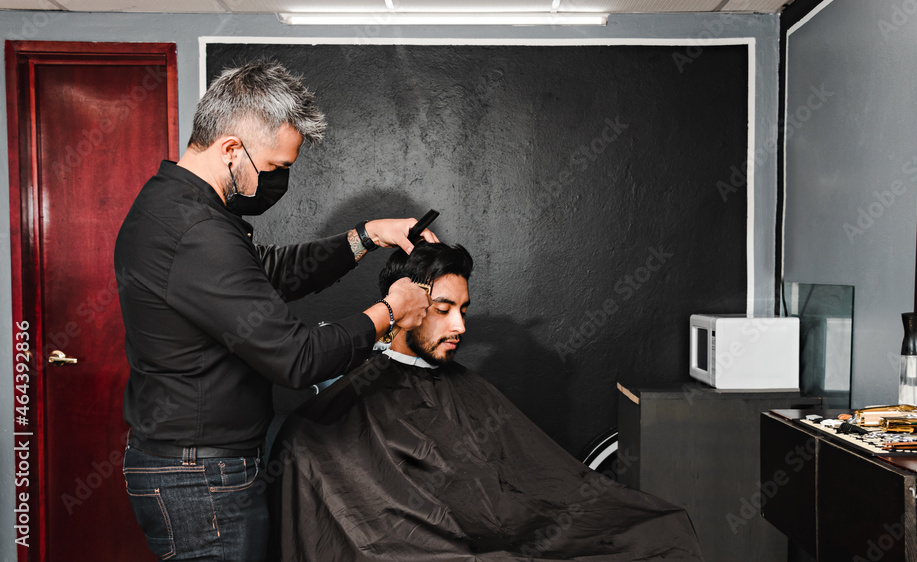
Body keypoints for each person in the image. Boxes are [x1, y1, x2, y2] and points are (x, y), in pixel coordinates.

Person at [114, 59, 435, 561]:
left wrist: (368, 235)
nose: (280, 181)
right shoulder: (195, 231)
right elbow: (297, 360)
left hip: (194, 467)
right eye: (276, 168)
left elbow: (269, 272)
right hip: (201, 479)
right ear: (230, 149)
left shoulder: (178, 207)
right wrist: (390, 311)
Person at [268, 242, 704, 561]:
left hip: (503, 533)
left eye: (464, 309)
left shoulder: (464, 387)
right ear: (403, 305)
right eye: (443, 309)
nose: (459, 325)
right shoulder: (347, 405)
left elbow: (528, 485)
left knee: (657, 529)